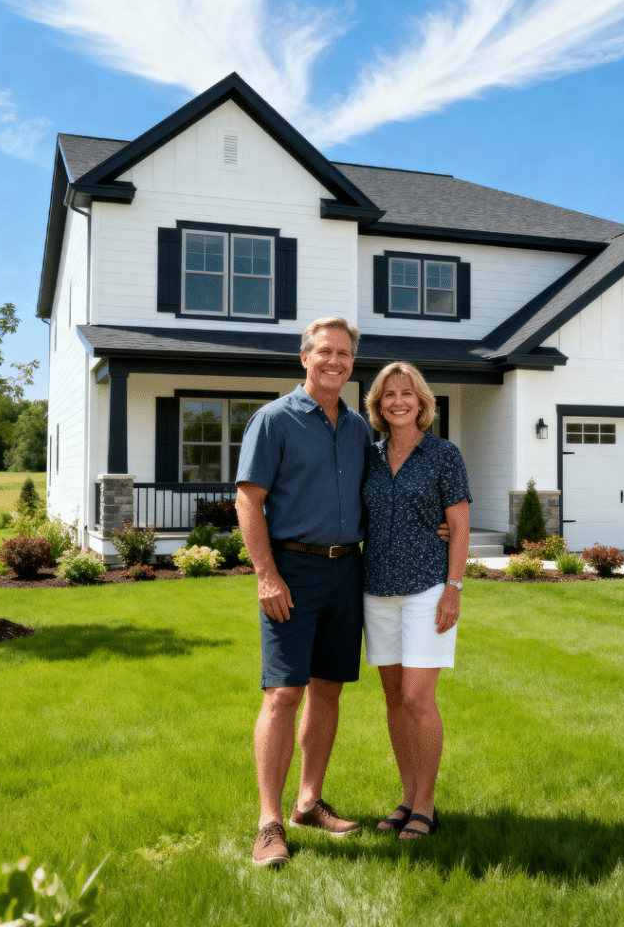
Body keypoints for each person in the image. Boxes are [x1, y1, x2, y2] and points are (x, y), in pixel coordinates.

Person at [235, 316, 372, 867]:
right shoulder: (274, 421)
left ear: (351, 363)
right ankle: (269, 823)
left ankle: (309, 802)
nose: (334, 360)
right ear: (304, 357)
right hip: (292, 570)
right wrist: (267, 575)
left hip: (347, 573)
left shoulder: (360, 428)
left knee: (328, 689)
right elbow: (249, 500)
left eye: (343, 353)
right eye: (324, 351)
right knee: (283, 693)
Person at [362, 362, 471, 841]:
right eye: (389, 395)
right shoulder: (370, 456)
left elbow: (461, 527)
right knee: (392, 698)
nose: (398, 401)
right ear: (378, 405)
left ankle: (426, 803)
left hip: (429, 587)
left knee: (416, 697)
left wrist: (454, 587)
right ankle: (406, 796)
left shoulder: (444, 455)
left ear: (422, 402)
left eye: (407, 393)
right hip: (376, 589)